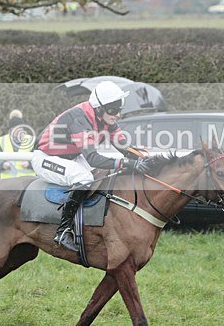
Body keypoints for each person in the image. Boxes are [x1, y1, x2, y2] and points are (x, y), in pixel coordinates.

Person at [32, 80, 152, 252]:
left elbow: (125, 148)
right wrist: (127, 163)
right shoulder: (79, 120)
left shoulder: (105, 119)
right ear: (99, 108)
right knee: (85, 178)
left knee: (98, 175)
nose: (117, 114)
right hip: (46, 158)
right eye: (113, 109)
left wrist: (146, 159)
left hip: (70, 157)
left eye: (119, 109)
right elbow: (93, 158)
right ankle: (63, 230)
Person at [0, 110, 36, 178]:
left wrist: (29, 164)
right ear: (10, 130)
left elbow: (40, 159)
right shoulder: (2, 141)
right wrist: (2, 165)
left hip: (27, 182)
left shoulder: (31, 141)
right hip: (7, 183)